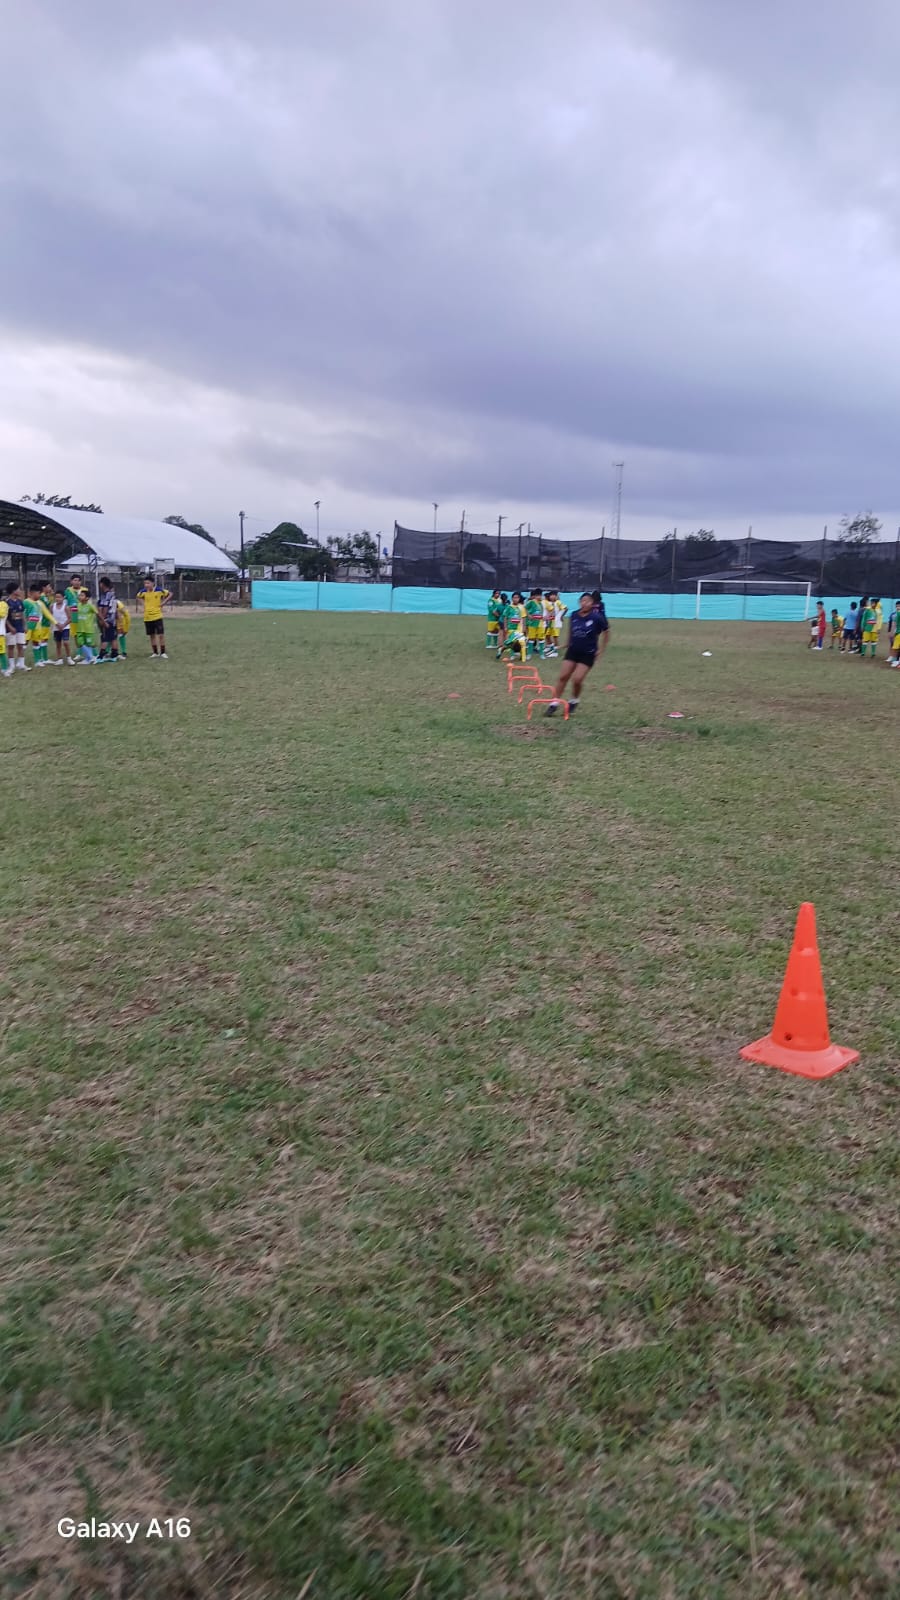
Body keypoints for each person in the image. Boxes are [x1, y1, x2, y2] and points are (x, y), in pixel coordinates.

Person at [544, 590, 610, 717]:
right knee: (563, 676)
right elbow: (571, 631)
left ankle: (574, 700)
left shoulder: (597, 618)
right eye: (583, 601)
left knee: (577, 679)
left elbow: (606, 632)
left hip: (588, 653)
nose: (585, 603)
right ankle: (554, 703)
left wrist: (601, 650)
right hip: (573, 651)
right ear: (580, 602)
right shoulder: (574, 615)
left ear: (592, 604)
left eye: (588, 601)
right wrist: (567, 643)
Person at [135, 576, 171, 659]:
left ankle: (163, 653)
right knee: (152, 635)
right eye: (145, 583)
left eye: (148, 583)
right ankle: (155, 652)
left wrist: (163, 603)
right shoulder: (143, 591)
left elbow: (170, 594)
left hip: (157, 616)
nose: (146, 585)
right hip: (147, 617)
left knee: (161, 635)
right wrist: (143, 604)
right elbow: (138, 597)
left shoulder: (159, 590)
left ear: (153, 583)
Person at [4, 583, 28, 671]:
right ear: (13, 591)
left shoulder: (20, 601)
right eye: (18, 589)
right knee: (11, 646)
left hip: (19, 627)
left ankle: (21, 664)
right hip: (11, 629)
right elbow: (5, 617)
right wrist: (10, 627)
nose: (20, 591)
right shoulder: (6, 602)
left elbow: (22, 614)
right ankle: (11, 666)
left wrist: (25, 625)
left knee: (20, 645)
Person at [497, 592, 527, 662]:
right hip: (511, 628)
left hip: (519, 629)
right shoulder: (509, 607)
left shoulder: (522, 607)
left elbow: (524, 618)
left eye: (517, 598)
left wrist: (524, 627)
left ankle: (523, 658)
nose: (515, 599)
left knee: (522, 642)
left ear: (519, 599)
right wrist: (505, 626)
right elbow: (505, 617)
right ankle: (509, 653)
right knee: (511, 643)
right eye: (514, 597)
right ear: (512, 598)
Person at [24, 585, 50, 667]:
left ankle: (37, 661)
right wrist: (25, 624)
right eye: (39, 593)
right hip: (28, 626)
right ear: (33, 593)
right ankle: (19, 662)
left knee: (36, 642)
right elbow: (23, 614)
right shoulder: (26, 602)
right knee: (24, 643)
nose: (39, 595)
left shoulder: (38, 603)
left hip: (37, 626)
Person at [96, 578, 120, 662]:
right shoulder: (113, 595)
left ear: (102, 584)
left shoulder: (106, 595)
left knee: (105, 638)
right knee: (113, 638)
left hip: (108, 619)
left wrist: (102, 619)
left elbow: (105, 607)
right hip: (113, 620)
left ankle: (101, 657)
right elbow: (116, 607)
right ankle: (114, 655)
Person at [50, 591, 76, 665]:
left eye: (59, 597)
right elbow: (51, 616)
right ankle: (59, 659)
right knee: (58, 644)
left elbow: (70, 618)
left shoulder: (66, 607)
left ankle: (69, 658)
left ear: (63, 598)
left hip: (65, 628)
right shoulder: (52, 606)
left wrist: (63, 625)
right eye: (56, 597)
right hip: (56, 628)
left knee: (66, 642)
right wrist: (56, 624)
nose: (57, 599)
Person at [75, 588, 98, 663]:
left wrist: (103, 622)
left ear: (87, 598)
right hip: (79, 628)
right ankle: (90, 657)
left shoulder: (90, 606)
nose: (80, 597)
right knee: (80, 643)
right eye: (80, 595)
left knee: (89, 644)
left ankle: (91, 657)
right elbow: (73, 614)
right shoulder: (78, 605)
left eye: (82, 595)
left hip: (88, 629)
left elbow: (97, 613)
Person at [524, 588, 545, 658]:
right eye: (538, 595)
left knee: (541, 638)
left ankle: (541, 654)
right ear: (535, 596)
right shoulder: (531, 602)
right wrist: (528, 615)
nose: (539, 597)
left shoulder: (542, 603)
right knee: (531, 638)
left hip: (540, 624)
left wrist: (545, 617)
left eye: (540, 595)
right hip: (532, 623)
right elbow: (525, 608)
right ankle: (529, 654)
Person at [0, 592, 10, 679]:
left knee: (1, 652)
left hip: (0, 633)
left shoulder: (3, 604)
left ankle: (4, 669)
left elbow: (2, 614)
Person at [888, 601, 900, 665]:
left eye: (899, 606)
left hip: (897, 632)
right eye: (897, 606)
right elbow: (891, 623)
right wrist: (890, 631)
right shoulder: (893, 614)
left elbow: (894, 623)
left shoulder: (897, 614)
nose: (898, 607)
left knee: (896, 646)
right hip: (896, 632)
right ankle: (893, 658)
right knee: (893, 645)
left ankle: (896, 660)